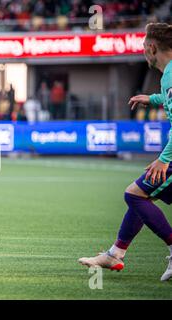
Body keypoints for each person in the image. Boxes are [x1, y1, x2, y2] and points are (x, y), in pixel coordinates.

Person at [78, 23, 172, 281]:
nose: (143, 50)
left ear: (152, 48)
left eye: (143, 46)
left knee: (135, 195)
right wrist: (152, 99)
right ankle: (115, 254)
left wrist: (164, 159)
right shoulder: (168, 76)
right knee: (141, 196)